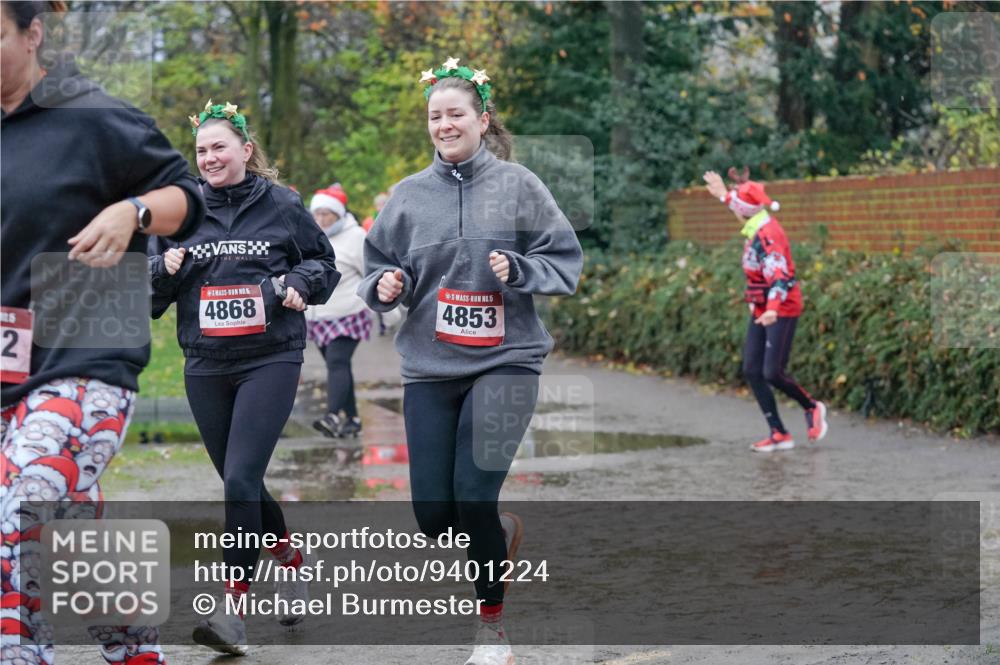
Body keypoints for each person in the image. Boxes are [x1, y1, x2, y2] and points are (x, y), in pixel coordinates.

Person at [358, 57, 583, 665]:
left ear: (482, 119)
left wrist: (523, 271)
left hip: (506, 362)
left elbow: (565, 259)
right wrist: (383, 285)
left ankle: (492, 631)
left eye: (456, 113)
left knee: (474, 495)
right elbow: (378, 264)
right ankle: (501, 535)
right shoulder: (407, 195)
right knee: (435, 515)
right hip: (430, 368)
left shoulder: (519, 186)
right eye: (435, 116)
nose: (444, 124)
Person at [1, 2, 205, 664]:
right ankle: (138, 652)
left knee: (21, 509)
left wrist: (133, 210)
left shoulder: (92, 115)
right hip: (11, 365)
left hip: (88, 352)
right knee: (67, 526)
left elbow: (188, 199)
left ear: (33, 35)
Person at [148, 101, 340, 655]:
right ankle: (291, 560)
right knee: (245, 483)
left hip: (269, 359)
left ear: (245, 151)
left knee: (237, 481)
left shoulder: (282, 204)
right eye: (202, 150)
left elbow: (324, 265)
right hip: (206, 364)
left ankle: (232, 613)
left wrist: (298, 282)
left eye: (220, 148)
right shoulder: (180, 212)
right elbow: (149, 292)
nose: (209, 158)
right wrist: (164, 269)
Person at [703, 167, 829, 452]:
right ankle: (778, 432)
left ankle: (812, 407)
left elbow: (780, 276)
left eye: (735, 207)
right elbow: (742, 203)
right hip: (762, 307)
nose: (733, 210)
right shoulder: (755, 224)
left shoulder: (768, 234)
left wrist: (772, 308)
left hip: (781, 307)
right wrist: (722, 194)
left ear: (744, 212)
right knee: (751, 369)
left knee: (772, 372)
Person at [306, 185, 372, 438]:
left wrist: (388, 313)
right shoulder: (310, 235)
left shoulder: (355, 236)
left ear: (339, 214)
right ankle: (353, 419)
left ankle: (333, 416)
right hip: (319, 316)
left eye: (327, 214)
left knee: (337, 362)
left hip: (349, 313)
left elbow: (371, 274)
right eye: (317, 214)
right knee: (339, 369)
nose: (321, 219)